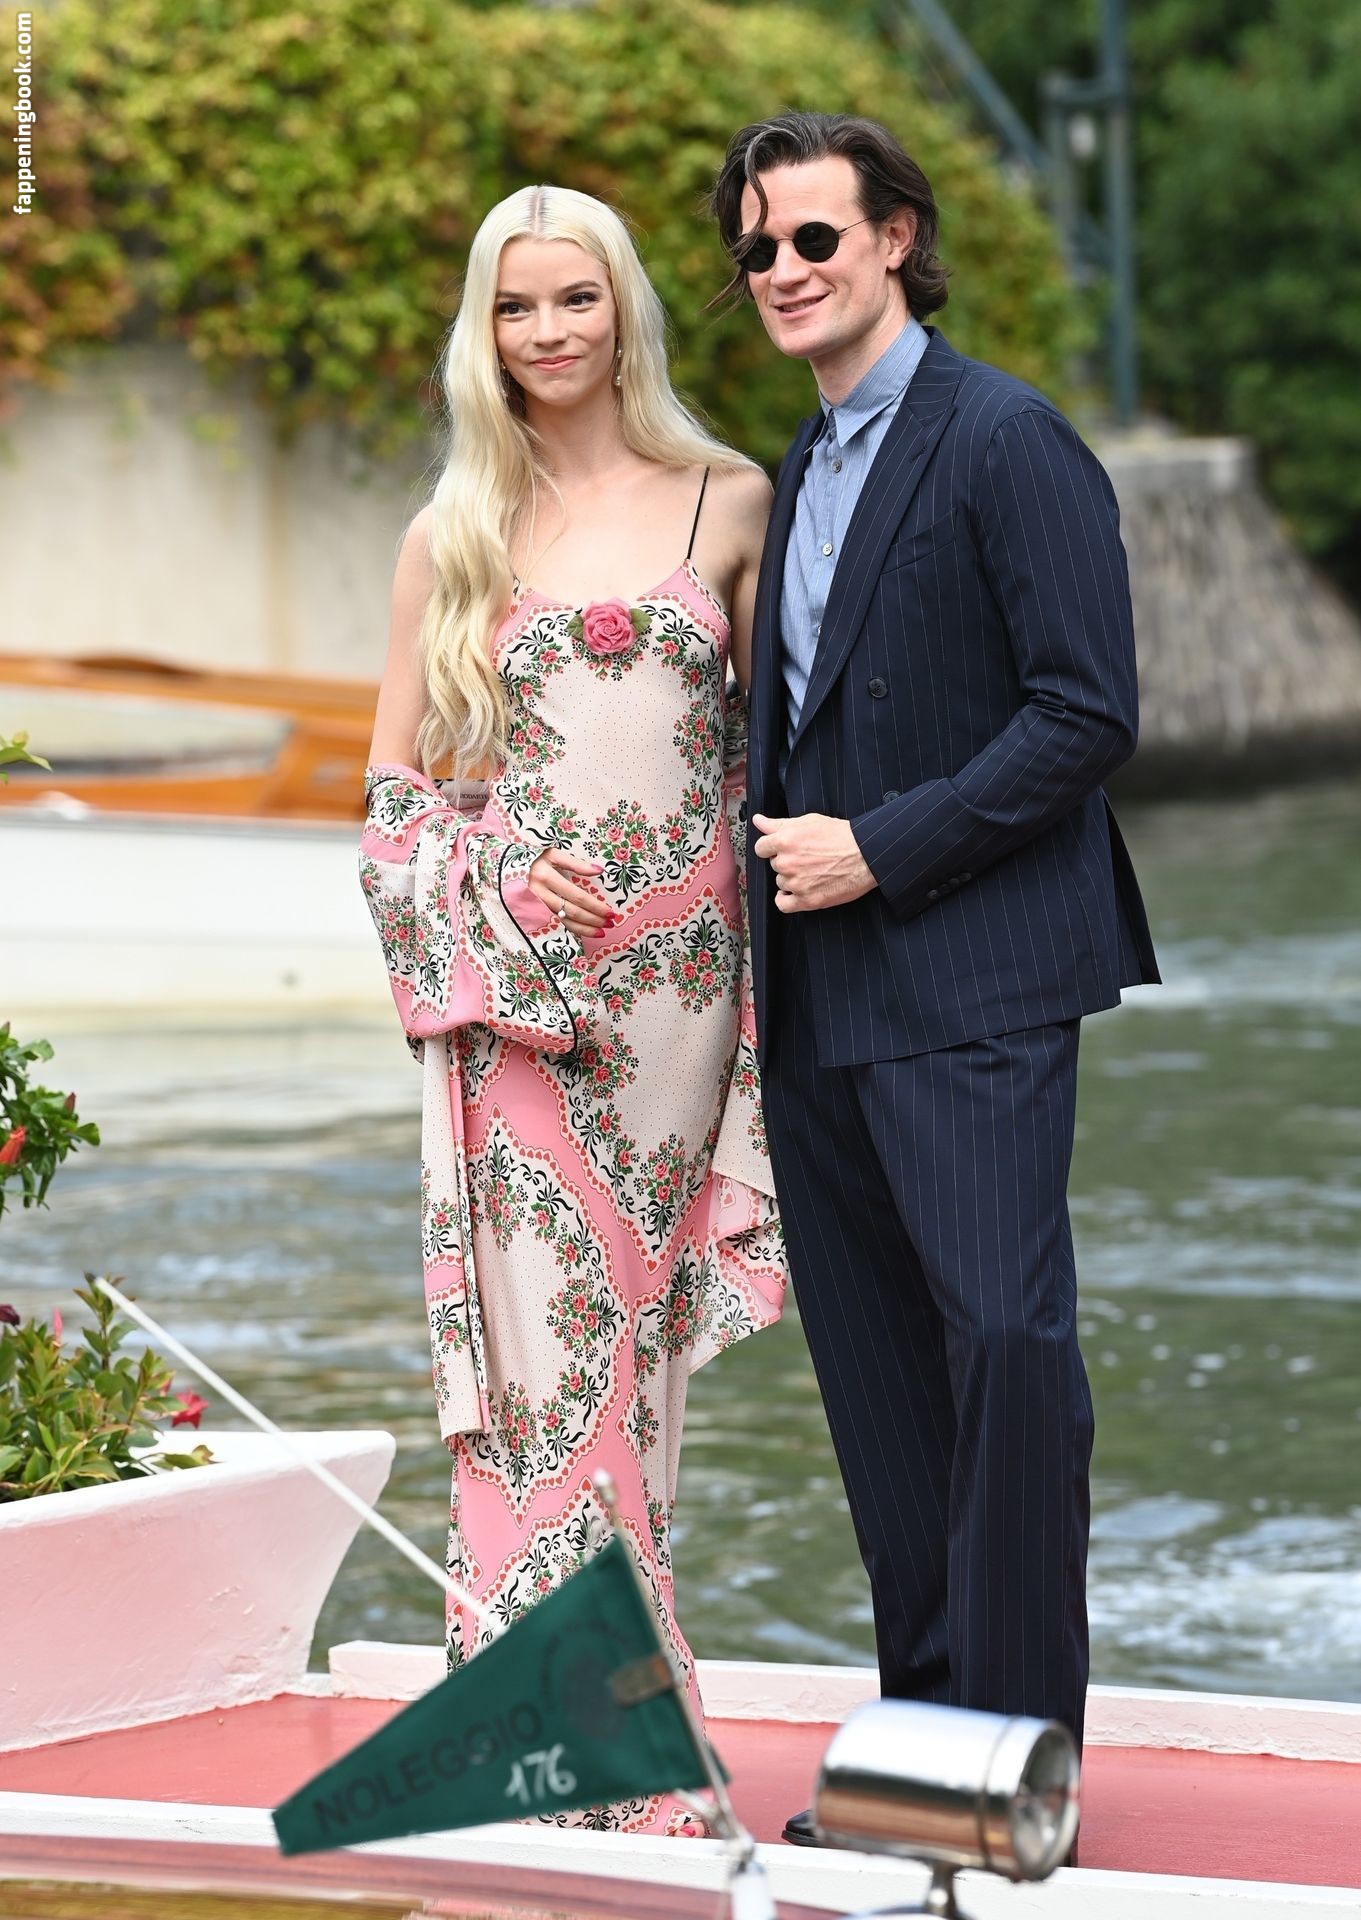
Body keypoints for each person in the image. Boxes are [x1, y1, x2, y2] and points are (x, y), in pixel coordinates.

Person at [708, 111, 1160, 1844]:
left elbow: (1086, 712)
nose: (783, 270)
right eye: (757, 247)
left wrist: (881, 848)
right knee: (886, 1391)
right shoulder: (801, 462)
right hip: (818, 995)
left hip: (969, 976)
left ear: (895, 237)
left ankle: (1018, 1779)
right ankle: (925, 1770)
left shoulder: (1005, 437)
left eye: (814, 237)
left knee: (1005, 1356)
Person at [360, 183, 786, 1836]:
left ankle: (599, 1739)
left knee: (633, 1355)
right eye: (515, 305)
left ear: (625, 312)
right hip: (524, 1004)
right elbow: (392, 798)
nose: (546, 332)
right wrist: (497, 870)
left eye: (574, 299)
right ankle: (588, 1758)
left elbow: (772, 760)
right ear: (485, 328)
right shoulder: (453, 532)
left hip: (684, 1011)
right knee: (549, 1370)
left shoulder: (730, 501)